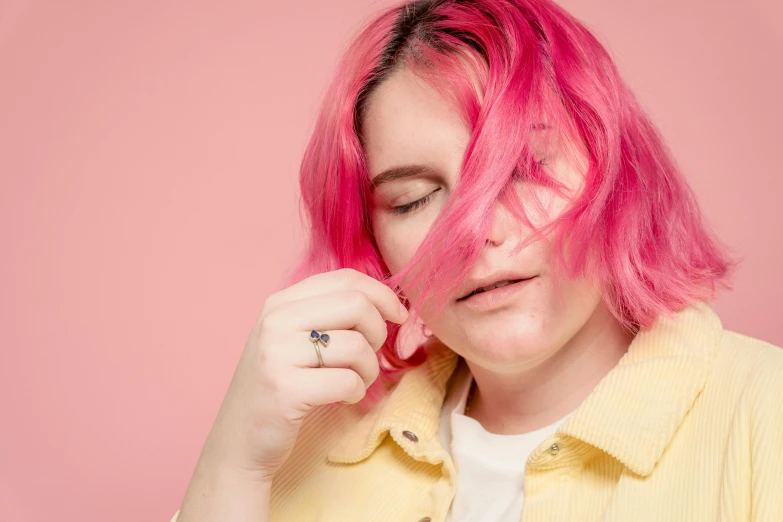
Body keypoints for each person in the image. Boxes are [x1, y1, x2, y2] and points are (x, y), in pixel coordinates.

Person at [171, 0, 783, 520]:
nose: (474, 232)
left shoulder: (763, 413)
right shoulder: (300, 454)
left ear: (614, 168)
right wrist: (231, 463)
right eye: (413, 200)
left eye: (523, 170)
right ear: (373, 239)